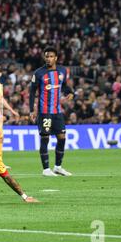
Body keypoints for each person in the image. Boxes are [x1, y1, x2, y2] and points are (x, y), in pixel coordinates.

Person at [29, 47, 74, 177]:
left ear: (56, 58)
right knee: (45, 138)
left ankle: (58, 167)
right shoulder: (38, 73)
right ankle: (46, 169)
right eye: (47, 56)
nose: (48, 59)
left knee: (62, 138)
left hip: (57, 112)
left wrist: (70, 92)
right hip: (44, 112)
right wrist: (32, 109)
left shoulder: (62, 70)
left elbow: (64, 85)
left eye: (51, 56)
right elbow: (32, 92)